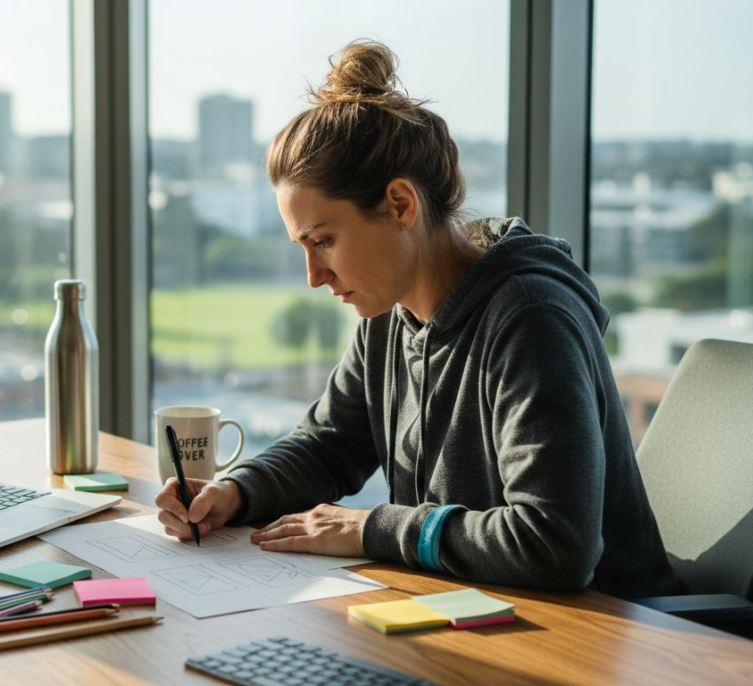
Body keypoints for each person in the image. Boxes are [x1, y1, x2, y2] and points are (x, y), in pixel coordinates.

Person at [154, 39, 681, 598]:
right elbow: (330, 444)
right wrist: (238, 490)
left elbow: (554, 544)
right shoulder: (388, 316)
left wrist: (370, 528)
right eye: (302, 247)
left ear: (401, 204)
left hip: (612, 639)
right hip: (472, 615)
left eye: (324, 241)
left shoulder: (531, 319)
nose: (313, 275)